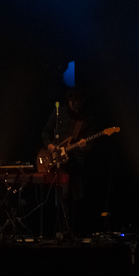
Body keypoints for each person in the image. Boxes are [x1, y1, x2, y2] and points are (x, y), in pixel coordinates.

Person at [41, 87, 94, 237]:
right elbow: (45, 132)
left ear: (82, 101)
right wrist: (49, 145)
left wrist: (84, 146)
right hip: (60, 162)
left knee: (78, 197)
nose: (73, 104)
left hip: (77, 161)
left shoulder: (87, 118)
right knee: (63, 195)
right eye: (71, 101)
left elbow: (90, 145)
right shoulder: (59, 112)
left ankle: (76, 230)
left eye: (76, 101)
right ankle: (64, 229)